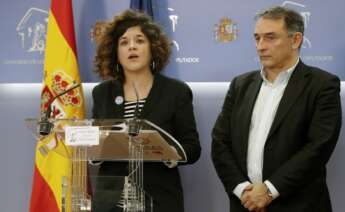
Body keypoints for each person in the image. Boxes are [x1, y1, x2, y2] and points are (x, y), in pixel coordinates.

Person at [211, 6, 342, 212]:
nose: (260, 46)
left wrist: (269, 190)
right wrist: (243, 190)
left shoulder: (322, 85)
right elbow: (220, 142)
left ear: (295, 40)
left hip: (299, 205)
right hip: (245, 205)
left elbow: (318, 147)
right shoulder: (240, 85)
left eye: (270, 37)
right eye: (257, 38)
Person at [91, 10, 201, 212]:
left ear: (153, 48)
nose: (131, 46)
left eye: (139, 41)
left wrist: (170, 153)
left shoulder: (176, 92)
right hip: (111, 201)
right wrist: (88, 145)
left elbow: (192, 148)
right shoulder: (102, 93)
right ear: (115, 51)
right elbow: (94, 144)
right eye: (124, 42)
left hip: (159, 198)